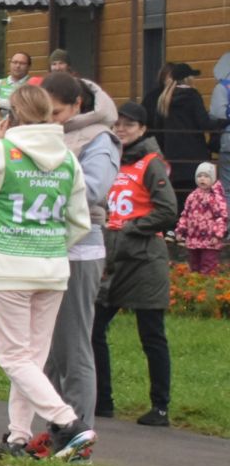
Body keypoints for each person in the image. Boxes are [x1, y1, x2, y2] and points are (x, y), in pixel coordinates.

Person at [0, 84, 97, 460]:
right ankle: (17, 437)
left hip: (10, 265)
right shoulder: (69, 159)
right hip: (52, 267)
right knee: (32, 361)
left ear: (14, 114)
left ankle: (69, 423)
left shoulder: (0, 150)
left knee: (13, 358)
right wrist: (48, 243)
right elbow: (79, 222)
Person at [41, 70, 119, 429]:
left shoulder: (100, 138)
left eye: (57, 113)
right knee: (50, 353)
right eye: (45, 113)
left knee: (74, 349)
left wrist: (41, 176)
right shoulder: (45, 133)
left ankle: (79, 433)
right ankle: (55, 430)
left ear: (77, 104)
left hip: (80, 249)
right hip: (43, 245)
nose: (50, 121)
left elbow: (93, 188)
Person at [95, 103, 177, 426]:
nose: (122, 130)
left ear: (142, 129)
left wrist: (131, 228)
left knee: (151, 334)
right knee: (94, 328)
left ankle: (160, 407)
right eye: (117, 125)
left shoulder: (150, 162)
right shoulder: (111, 161)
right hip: (113, 260)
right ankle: (103, 401)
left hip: (145, 259)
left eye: (129, 125)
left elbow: (168, 210)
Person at [149, 61, 224, 203]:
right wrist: (223, 122)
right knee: (197, 200)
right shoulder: (192, 96)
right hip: (194, 158)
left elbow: (158, 131)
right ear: (189, 78)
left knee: (179, 200)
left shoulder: (164, 99)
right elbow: (204, 123)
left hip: (173, 159)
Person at [175, 162, 225, 273]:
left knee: (208, 264)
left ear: (212, 178)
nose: (202, 179)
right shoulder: (192, 196)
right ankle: (196, 284)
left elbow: (221, 217)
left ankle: (207, 285)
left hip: (210, 239)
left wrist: (217, 234)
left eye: (206, 176)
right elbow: (185, 214)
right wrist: (180, 230)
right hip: (193, 238)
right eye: (199, 176)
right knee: (194, 264)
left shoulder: (216, 197)